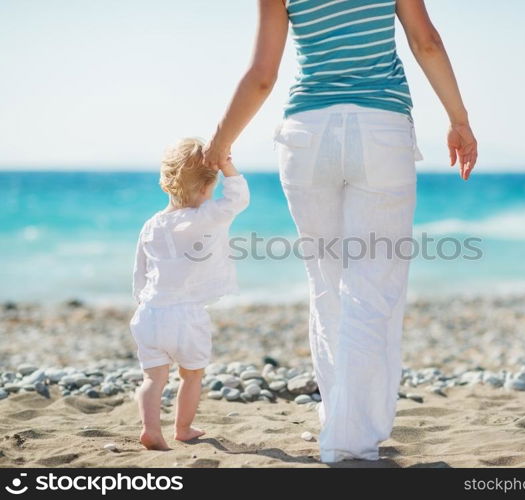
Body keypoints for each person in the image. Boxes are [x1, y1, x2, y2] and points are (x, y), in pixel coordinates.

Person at [203, 0, 477, 463]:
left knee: (327, 286)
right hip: (381, 130)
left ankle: (340, 424)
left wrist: (221, 142)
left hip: (306, 135)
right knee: (373, 289)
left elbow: (263, 75)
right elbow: (425, 41)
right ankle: (351, 440)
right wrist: (459, 120)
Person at [130, 138, 249, 450]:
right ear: (205, 189)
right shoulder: (205, 216)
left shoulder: (151, 225)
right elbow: (238, 198)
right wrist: (226, 165)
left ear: (166, 183)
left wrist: (142, 301)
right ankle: (182, 429)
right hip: (186, 315)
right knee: (191, 375)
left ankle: (150, 429)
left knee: (152, 379)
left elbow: (139, 271)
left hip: (150, 312)